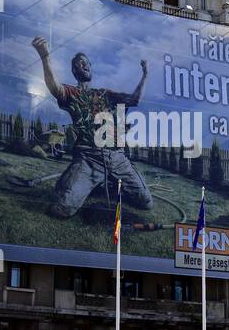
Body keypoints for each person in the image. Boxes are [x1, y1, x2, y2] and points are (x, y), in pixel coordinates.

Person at [32, 36, 154, 219]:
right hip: (89, 158)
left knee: (146, 203)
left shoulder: (105, 94)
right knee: (61, 208)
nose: (85, 66)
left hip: (117, 158)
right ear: (75, 70)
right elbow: (55, 88)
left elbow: (134, 100)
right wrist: (45, 56)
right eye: (80, 64)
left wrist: (145, 75)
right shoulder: (72, 93)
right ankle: (87, 181)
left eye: (87, 63)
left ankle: (109, 182)